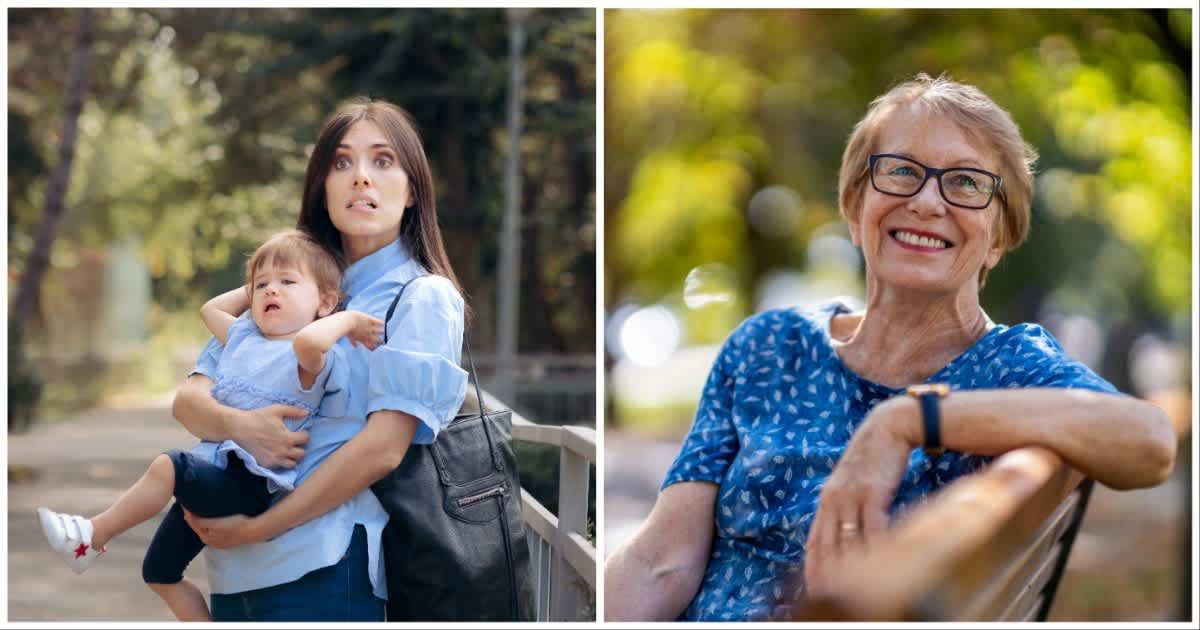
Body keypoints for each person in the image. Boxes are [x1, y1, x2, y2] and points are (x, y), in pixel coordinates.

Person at [603, 73, 1177, 622]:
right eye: (900, 172)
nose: (928, 202)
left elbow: (1150, 440)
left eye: (966, 182)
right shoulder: (767, 346)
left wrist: (909, 419)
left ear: (998, 237)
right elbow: (661, 562)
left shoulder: (1011, 366)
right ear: (855, 211)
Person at [170, 98, 470, 621]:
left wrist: (262, 527)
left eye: (382, 161)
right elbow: (189, 400)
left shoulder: (423, 298)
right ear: (322, 186)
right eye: (341, 163)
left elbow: (382, 449)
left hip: (325, 567)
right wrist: (242, 425)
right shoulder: (285, 283)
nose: (360, 179)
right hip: (231, 567)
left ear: (412, 190)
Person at [36, 229, 384, 621]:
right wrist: (261, 281)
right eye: (262, 285)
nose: (272, 291)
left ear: (325, 302)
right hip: (217, 474)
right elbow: (209, 310)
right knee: (159, 573)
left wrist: (347, 318)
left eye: (288, 282)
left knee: (170, 466)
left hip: (245, 484)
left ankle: (92, 535)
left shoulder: (312, 356)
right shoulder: (243, 337)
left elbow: (310, 343)